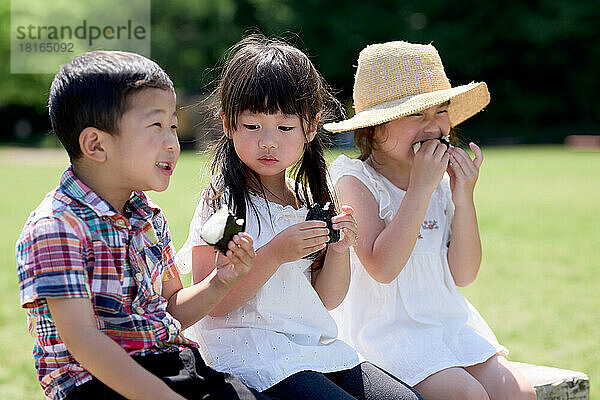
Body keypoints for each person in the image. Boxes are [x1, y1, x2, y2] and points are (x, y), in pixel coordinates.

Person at [177, 34, 422, 400]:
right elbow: (212, 301)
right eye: (252, 126)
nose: (269, 141)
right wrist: (275, 253)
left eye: (285, 127)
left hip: (314, 349)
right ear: (228, 125)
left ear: (310, 127)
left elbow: (325, 299)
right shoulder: (223, 203)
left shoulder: (308, 200)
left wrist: (340, 252)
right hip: (250, 354)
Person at [16, 50, 269, 400]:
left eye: (173, 127)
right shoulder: (56, 227)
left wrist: (219, 281)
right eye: (155, 126)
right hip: (98, 382)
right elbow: (84, 342)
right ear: (95, 144)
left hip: (174, 362)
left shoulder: (148, 216)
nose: (172, 143)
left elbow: (170, 308)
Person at [323, 41, 537, 400]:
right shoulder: (354, 179)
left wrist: (463, 196)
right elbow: (382, 267)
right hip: (385, 333)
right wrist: (420, 189)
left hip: (446, 323)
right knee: (468, 396)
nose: (435, 127)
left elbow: (464, 274)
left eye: (440, 111)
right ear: (374, 128)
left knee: (520, 393)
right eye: (416, 114)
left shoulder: (438, 181)